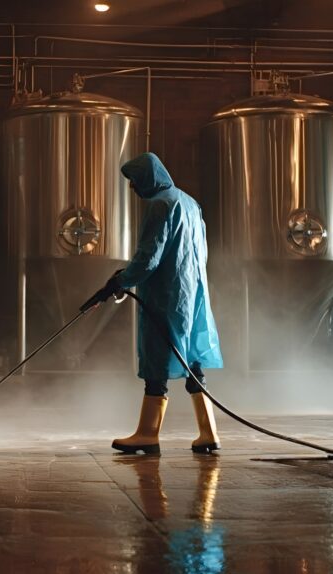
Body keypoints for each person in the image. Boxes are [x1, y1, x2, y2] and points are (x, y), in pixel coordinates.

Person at [95, 152, 224, 454]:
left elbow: (149, 258)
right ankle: (209, 433)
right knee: (192, 361)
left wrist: (121, 281)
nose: (132, 187)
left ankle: (147, 434)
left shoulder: (160, 205)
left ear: (147, 178)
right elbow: (202, 252)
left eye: (134, 181)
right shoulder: (190, 203)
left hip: (165, 295)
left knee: (157, 361)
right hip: (192, 292)